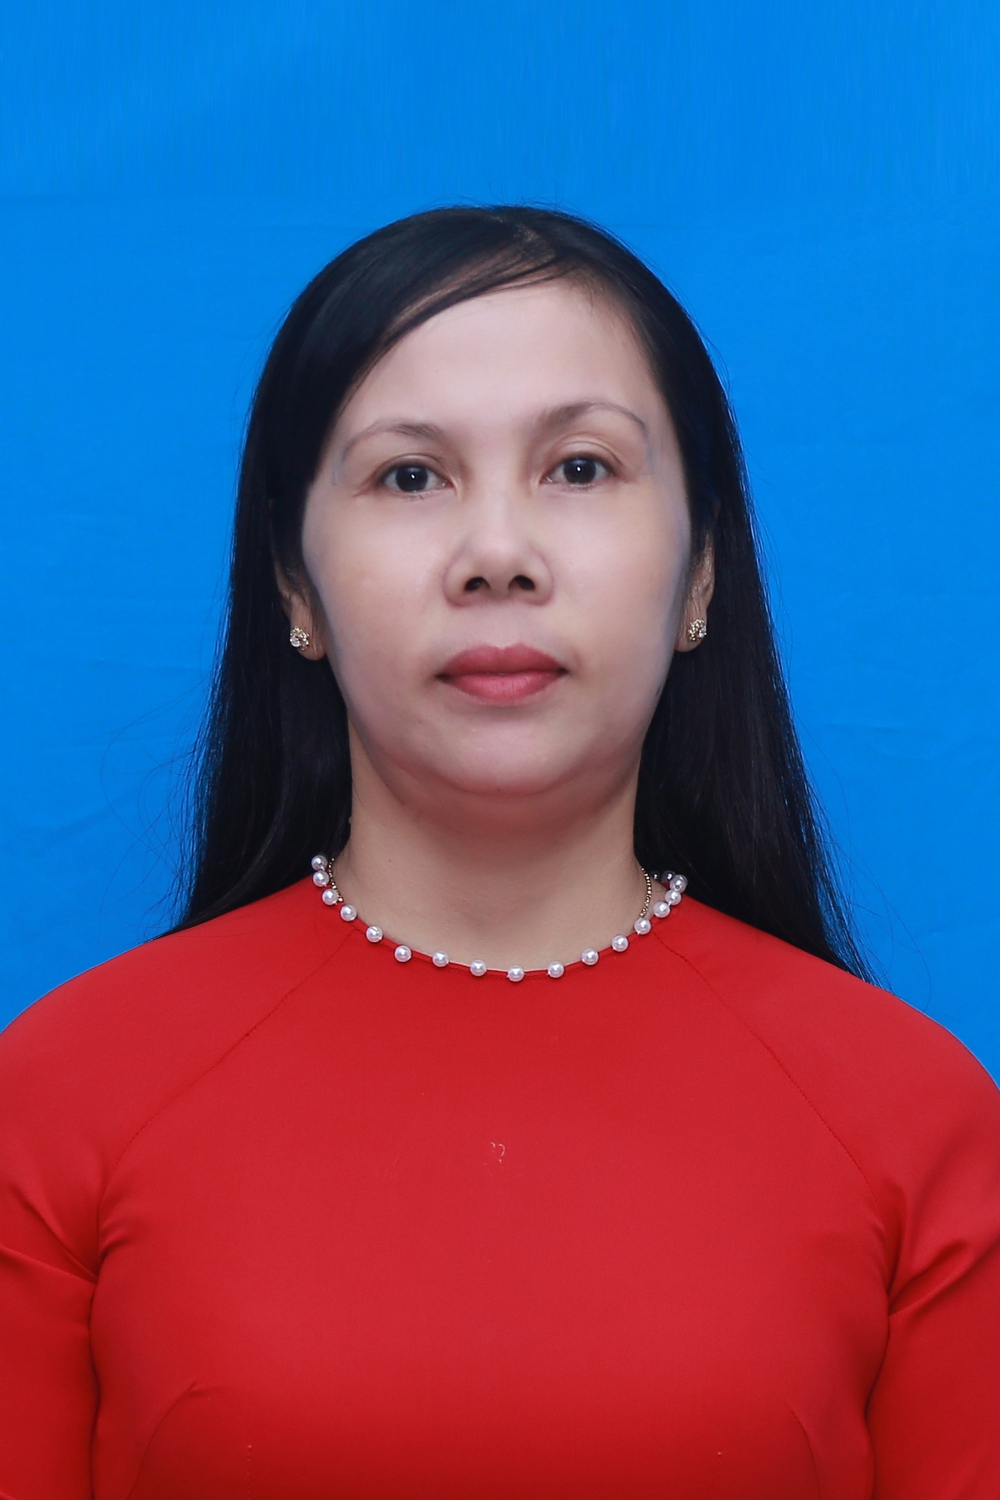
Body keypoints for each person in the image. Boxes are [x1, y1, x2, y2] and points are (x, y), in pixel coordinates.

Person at [1, 206, 998, 1500]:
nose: (497, 557)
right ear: (294, 585)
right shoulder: (61, 1097)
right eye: (409, 477)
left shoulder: (914, 1118)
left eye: (580, 467)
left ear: (702, 574)